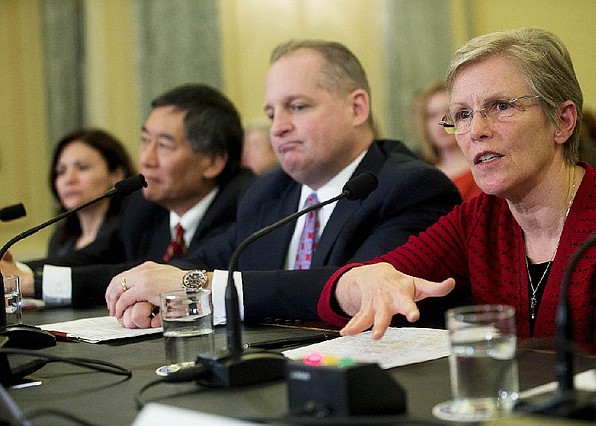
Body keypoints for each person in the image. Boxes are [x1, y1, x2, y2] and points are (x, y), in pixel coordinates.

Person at [317, 28, 596, 356]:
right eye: (463, 115)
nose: (476, 132)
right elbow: (341, 292)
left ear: (563, 120)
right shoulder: (477, 218)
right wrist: (364, 282)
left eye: (500, 106)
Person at [105, 39, 462, 329]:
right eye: (272, 113)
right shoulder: (268, 191)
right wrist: (151, 290)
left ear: (357, 108)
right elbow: (212, 259)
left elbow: (350, 289)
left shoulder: (411, 187)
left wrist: (194, 286)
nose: (278, 128)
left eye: (297, 107)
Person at [3, 84, 256, 307]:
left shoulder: (246, 203)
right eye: (145, 140)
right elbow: (93, 257)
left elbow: (156, 276)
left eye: (164, 146)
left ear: (212, 162)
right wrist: (18, 271)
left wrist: (32, 284)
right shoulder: (142, 207)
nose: (146, 159)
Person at [1, 128, 135, 281]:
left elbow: (92, 262)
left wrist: (20, 270)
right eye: (61, 171)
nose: (69, 179)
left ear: (116, 175)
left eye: (82, 167)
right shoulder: (61, 238)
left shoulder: (127, 230)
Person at [417, 82, 482, 200]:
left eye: (448, 111)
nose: (441, 123)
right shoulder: (420, 177)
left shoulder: (483, 167)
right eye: (432, 115)